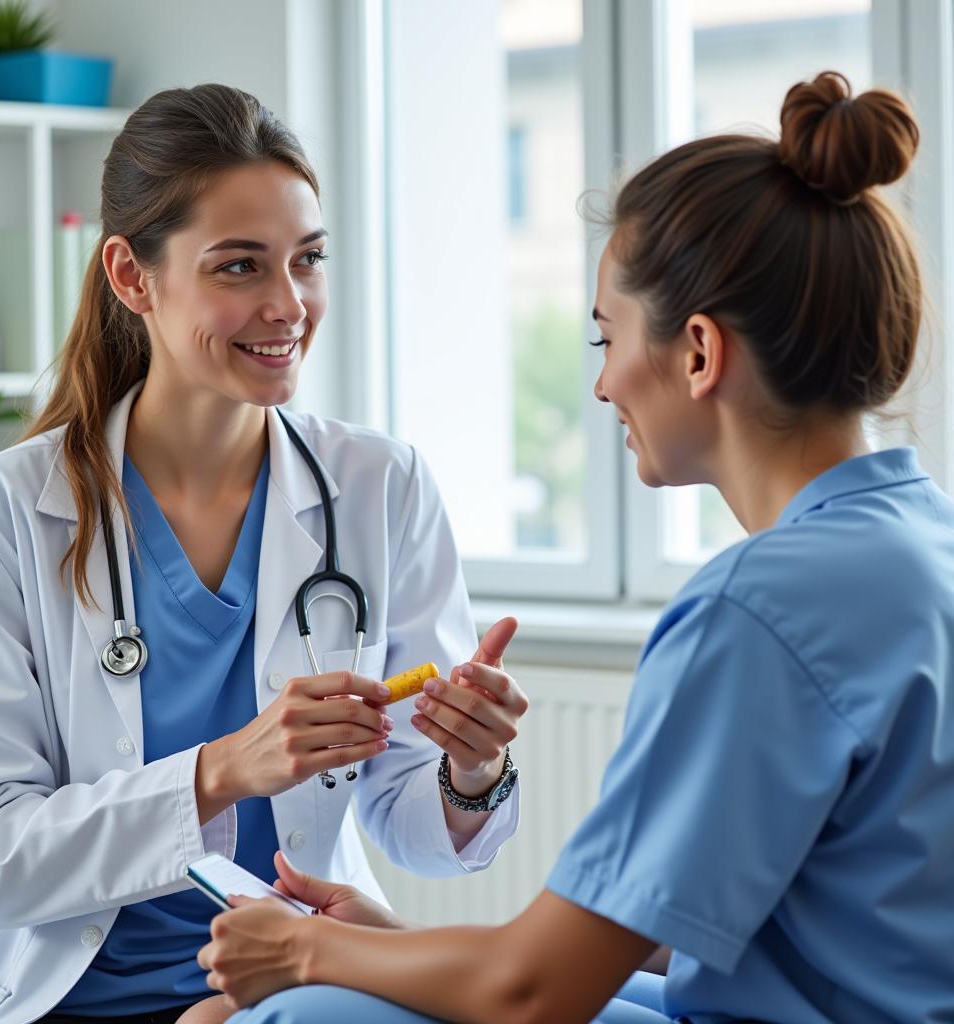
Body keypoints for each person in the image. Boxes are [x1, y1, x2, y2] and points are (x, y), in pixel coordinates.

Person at [193, 71, 954, 1024]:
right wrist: (377, 951)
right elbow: (651, 949)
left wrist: (308, 951)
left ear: (700, 354)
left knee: (289, 1018)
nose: (602, 389)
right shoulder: (922, 546)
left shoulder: (758, 610)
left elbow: (537, 993)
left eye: (606, 340)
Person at [0, 84, 528, 1024]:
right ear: (133, 277)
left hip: (289, 985)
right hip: (54, 999)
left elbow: (410, 828)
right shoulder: (7, 512)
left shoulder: (380, 486)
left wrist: (469, 772)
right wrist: (220, 770)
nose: (288, 305)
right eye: (240, 267)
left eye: (309, 261)